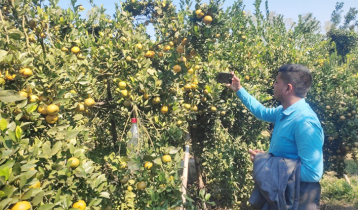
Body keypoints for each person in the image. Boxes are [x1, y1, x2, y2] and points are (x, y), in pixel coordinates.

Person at [226, 64, 324, 209]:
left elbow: (313, 173)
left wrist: (267, 164)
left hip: (295, 200)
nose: (273, 84)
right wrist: (239, 89)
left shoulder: (304, 121)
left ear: (288, 88)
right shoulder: (284, 111)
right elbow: (262, 112)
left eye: (277, 81)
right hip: (281, 194)